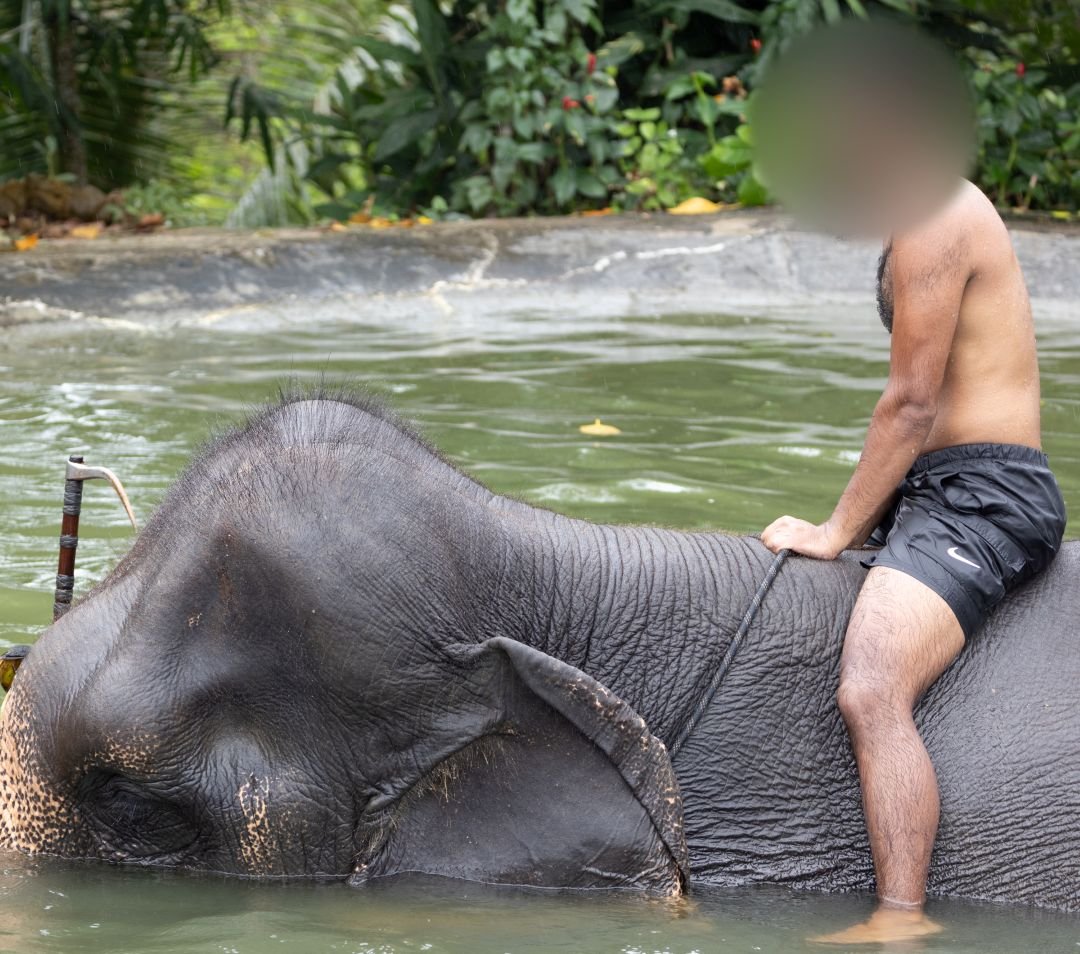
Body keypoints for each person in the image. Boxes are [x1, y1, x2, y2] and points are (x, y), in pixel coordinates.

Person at [761, 178, 1067, 943]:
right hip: (937, 489)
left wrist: (836, 531)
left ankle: (902, 917)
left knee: (872, 684)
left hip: (985, 495)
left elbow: (912, 403)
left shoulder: (937, 212)